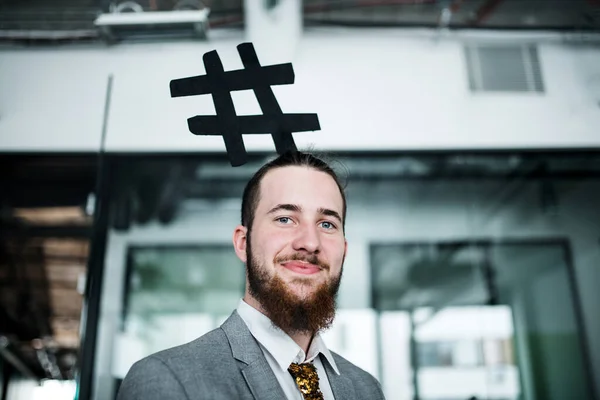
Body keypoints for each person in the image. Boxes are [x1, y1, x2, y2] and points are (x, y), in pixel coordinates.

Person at [117, 151, 385, 400]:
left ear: (344, 250)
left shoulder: (366, 389)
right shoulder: (167, 380)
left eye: (327, 224)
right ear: (243, 243)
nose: (310, 242)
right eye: (285, 219)